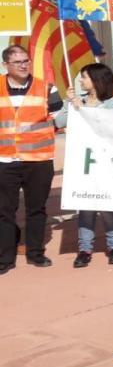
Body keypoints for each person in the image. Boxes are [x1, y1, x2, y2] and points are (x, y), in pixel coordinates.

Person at [0, 45, 62, 273]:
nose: (24, 65)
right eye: (18, 62)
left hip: (38, 160)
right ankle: (5, 258)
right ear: (6, 64)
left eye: (26, 60)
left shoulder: (47, 88)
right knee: (4, 211)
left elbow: (60, 119)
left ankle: (36, 253)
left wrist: (69, 112)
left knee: (36, 209)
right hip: (5, 161)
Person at [56, 63, 113, 267]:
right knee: (84, 207)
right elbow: (59, 122)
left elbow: (108, 124)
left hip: (105, 162)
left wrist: (83, 108)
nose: (80, 81)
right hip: (82, 163)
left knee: (108, 206)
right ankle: (85, 248)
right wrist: (70, 104)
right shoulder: (78, 100)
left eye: (84, 77)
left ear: (96, 80)